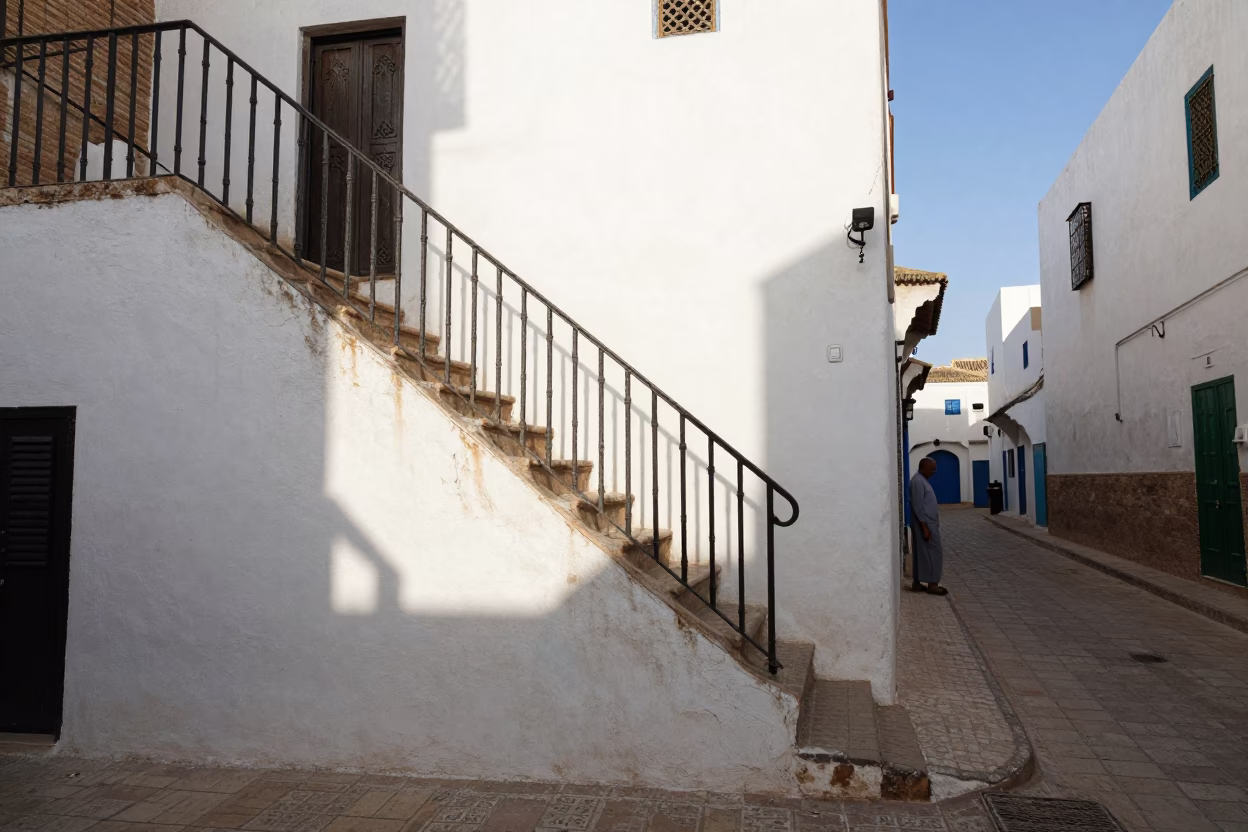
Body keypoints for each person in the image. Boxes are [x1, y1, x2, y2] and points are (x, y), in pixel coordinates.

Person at [909, 458, 947, 595]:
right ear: (923, 468)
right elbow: (918, 506)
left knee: (922, 553)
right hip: (926, 524)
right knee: (934, 553)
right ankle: (933, 584)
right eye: (931, 469)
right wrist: (925, 528)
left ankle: (917, 583)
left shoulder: (922, 480)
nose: (933, 472)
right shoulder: (918, 481)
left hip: (928, 523)